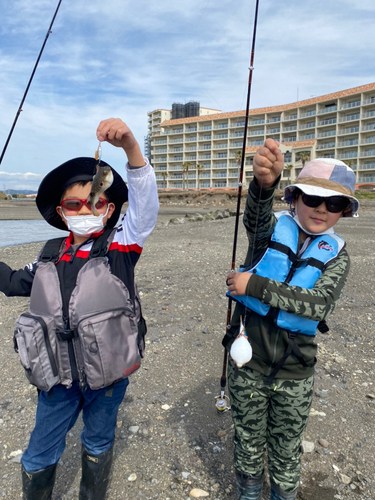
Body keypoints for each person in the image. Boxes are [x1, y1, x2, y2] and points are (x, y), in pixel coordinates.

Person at [0, 118, 159, 500]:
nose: (86, 208)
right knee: (38, 452)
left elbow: (144, 207)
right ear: (61, 210)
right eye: (75, 203)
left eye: (96, 202)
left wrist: (131, 149)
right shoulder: (46, 258)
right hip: (56, 381)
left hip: (107, 382)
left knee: (99, 440)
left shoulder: (121, 247)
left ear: (109, 210)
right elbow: (9, 283)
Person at [224, 138, 359, 500]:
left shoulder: (338, 257)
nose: (320, 209)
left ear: (344, 210)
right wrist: (263, 186)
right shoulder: (270, 232)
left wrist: (255, 284)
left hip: (295, 373)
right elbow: (254, 216)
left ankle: (283, 494)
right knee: (248, 444)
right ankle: (248, 493)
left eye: (334, 203)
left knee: (286, 450)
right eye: (312, 198)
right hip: (247, 363)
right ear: (295, 198)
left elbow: (318, 305)